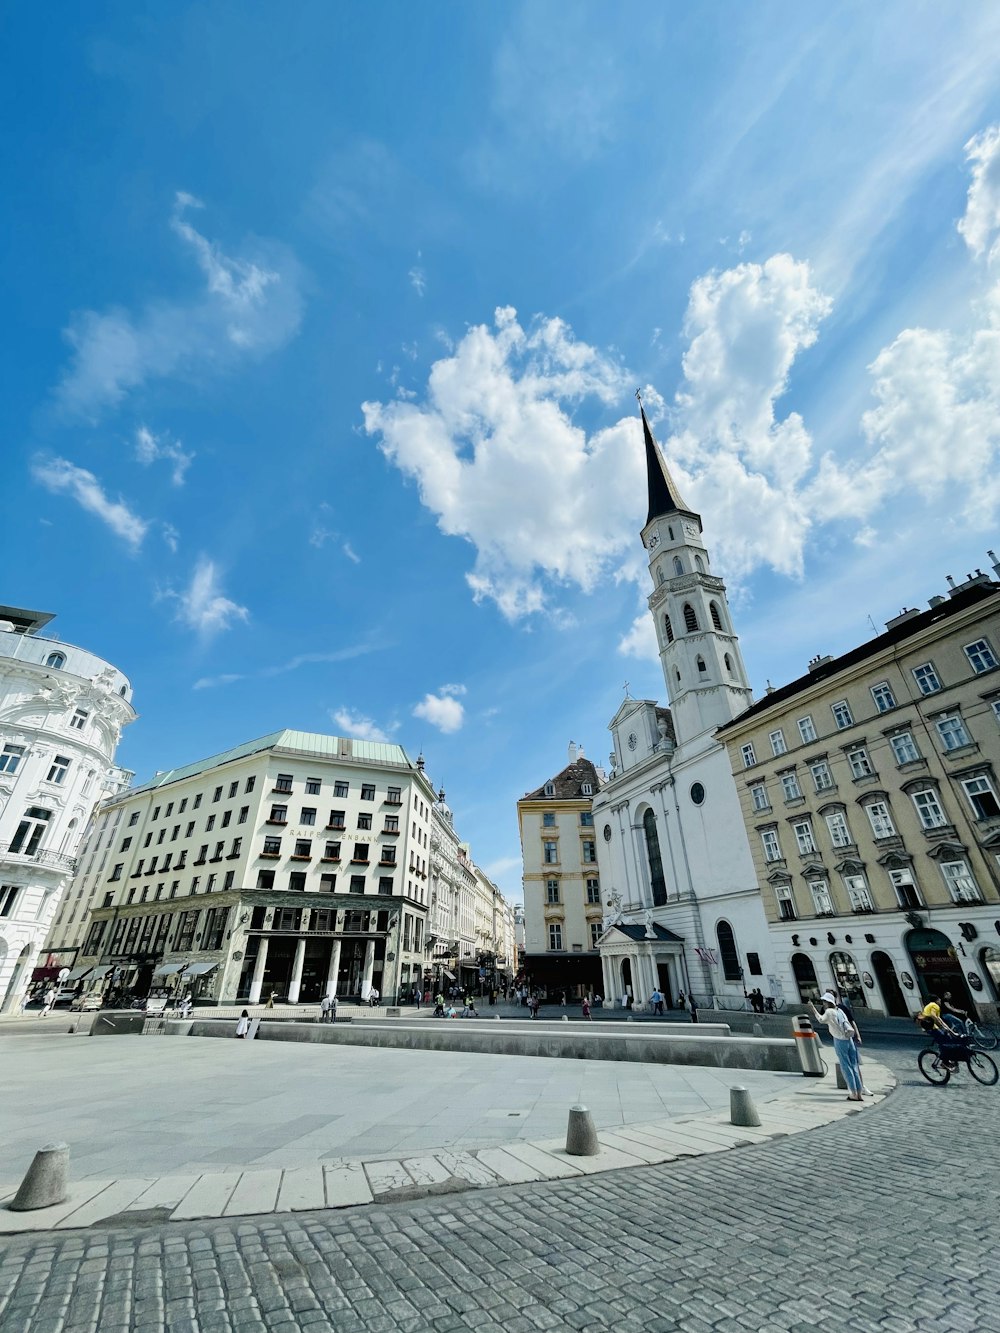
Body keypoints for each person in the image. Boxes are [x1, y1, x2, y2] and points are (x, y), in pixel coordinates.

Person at [810, 991, 863, 1100]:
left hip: (840, 1040)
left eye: (824, 1001)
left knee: (846, 1066)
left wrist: (812, 1008)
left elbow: (821, 1019)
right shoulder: (839, 1011)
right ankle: (859, 1093)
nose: (823, 1003)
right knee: (854, 1066)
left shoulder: (829, 1012)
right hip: (849, 1040)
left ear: (827, 1002)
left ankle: (853, 1093)